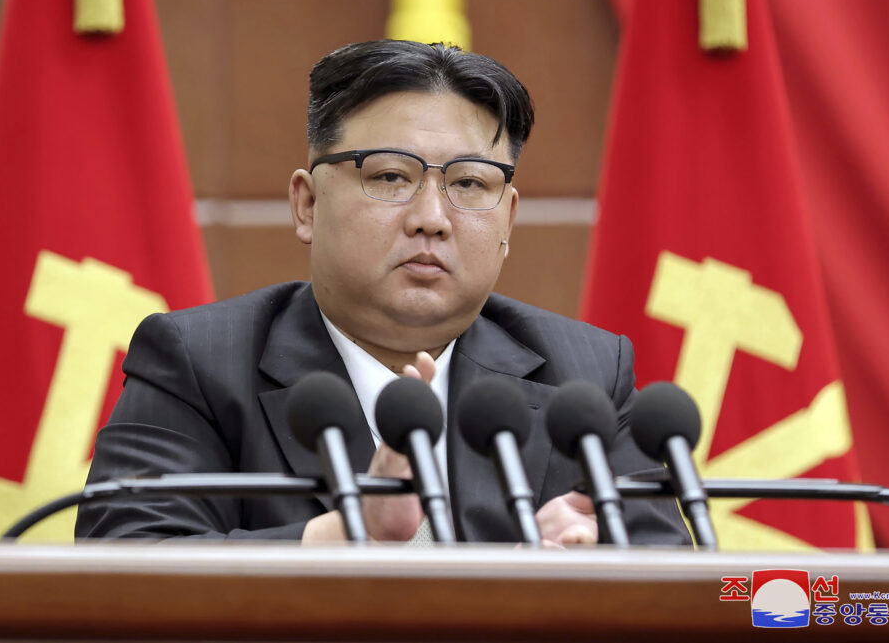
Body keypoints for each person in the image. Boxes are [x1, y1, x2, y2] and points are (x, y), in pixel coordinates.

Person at [75, 40, 690, 546]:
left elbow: (699, 598)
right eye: (391, 176)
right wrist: (346, 537)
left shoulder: (585, 377)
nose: (432, 219)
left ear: (507, 219)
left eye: (469, 184)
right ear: (307, 204)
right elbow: (123, 573)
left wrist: (568, 582)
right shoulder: (198, 362)